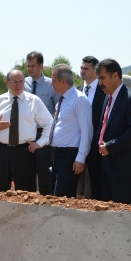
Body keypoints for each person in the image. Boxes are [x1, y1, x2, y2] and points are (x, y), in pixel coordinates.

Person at [0, 69, 53, 192]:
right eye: (14, 82)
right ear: (7, 83)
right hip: (1, 151)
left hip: (24, 152)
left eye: (21, 82)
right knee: (0, 191)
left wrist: (40, 143)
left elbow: (49, 124)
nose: (18, 85)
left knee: (26, 192)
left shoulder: (34, 101)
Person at [95, 59, 131, 204]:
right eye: (98, 79)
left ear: (115, 75)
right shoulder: (107, 98)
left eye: (102, 78)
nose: (100, 83)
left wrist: (110, 147)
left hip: (122, 166)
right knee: (106, 209)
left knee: (121, 211)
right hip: (105, 163)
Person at [49, 64, 93, 198]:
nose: (51, 83)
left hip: (70, 156)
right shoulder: (62, 100)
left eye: (53, 80)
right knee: (55, 195)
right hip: (57, 155)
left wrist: (81, 158)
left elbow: (87, 131)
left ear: (63, 81)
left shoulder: (79, 99)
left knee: (63, 197)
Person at [25, 51, 56, 195]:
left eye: (33, 66)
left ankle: (46, 204)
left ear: (41, 66)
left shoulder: (51, 84)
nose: (30, 69)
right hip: (26, 134)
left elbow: (57, 109)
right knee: (27, 171)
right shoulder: (22, 84)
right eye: (28, 66)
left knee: (44, 172)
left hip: (44, 133)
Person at [79, 55, 105, 199]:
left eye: (86, 68)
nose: (82, 71)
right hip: (77, 143)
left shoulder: (104, 92)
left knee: (94, 181)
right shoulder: (76, 91)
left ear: (95, 71)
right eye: (81, 68)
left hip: (96, 145)